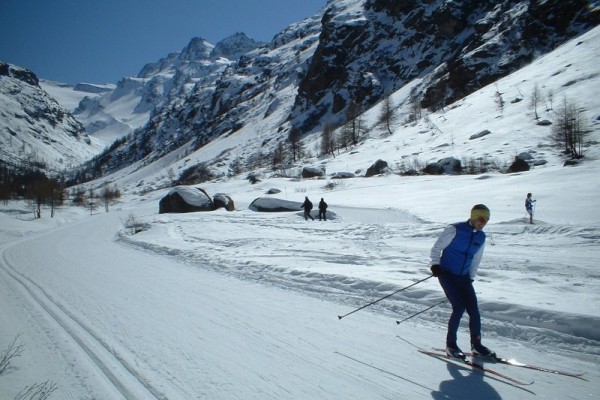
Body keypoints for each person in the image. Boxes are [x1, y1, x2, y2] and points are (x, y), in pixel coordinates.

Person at [429, 204, 495, 359]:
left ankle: (476, 345)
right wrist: (435, 265)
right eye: (481, 218)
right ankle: (451, 345)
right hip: (446, 274)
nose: (483, 222)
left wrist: (470, 277)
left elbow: (476, 259)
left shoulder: (481, 237)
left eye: (486, 220)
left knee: (474, 310)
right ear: (473, 216)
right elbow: (436, 248)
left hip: (464, 277)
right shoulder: (454, 230)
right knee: (459, 307)